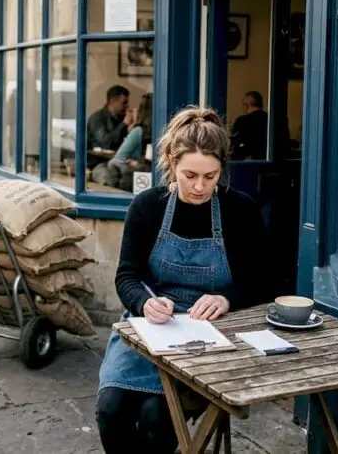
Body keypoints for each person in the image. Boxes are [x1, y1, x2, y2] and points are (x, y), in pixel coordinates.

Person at [96, 106, 269, 454]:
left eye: (211, 176)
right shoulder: (147, 206)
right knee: (111, 409)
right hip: (151, 328)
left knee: (156, 417)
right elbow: (127, 275)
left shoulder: (241, 210)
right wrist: (144, 302)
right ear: (171, 163)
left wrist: (226, 298)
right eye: (190, 174)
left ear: (222, 167)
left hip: (213, 336)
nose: (200, 186)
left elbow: (265, 280)